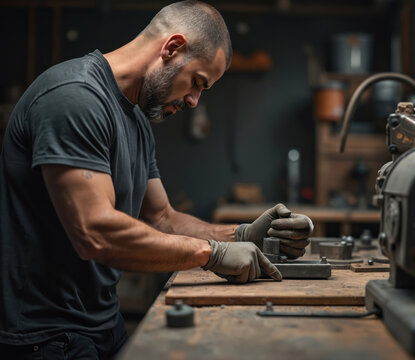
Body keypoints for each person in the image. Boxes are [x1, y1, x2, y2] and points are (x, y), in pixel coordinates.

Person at [0, 1, 313, 358]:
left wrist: (241, 234)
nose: (194, 101)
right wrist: (211, 253)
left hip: (101, 323)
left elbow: (161, 218)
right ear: (171, 48)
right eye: (196, 83)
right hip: (43, 335)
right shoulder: (74, 97)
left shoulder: (135, 120)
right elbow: (94, 233)